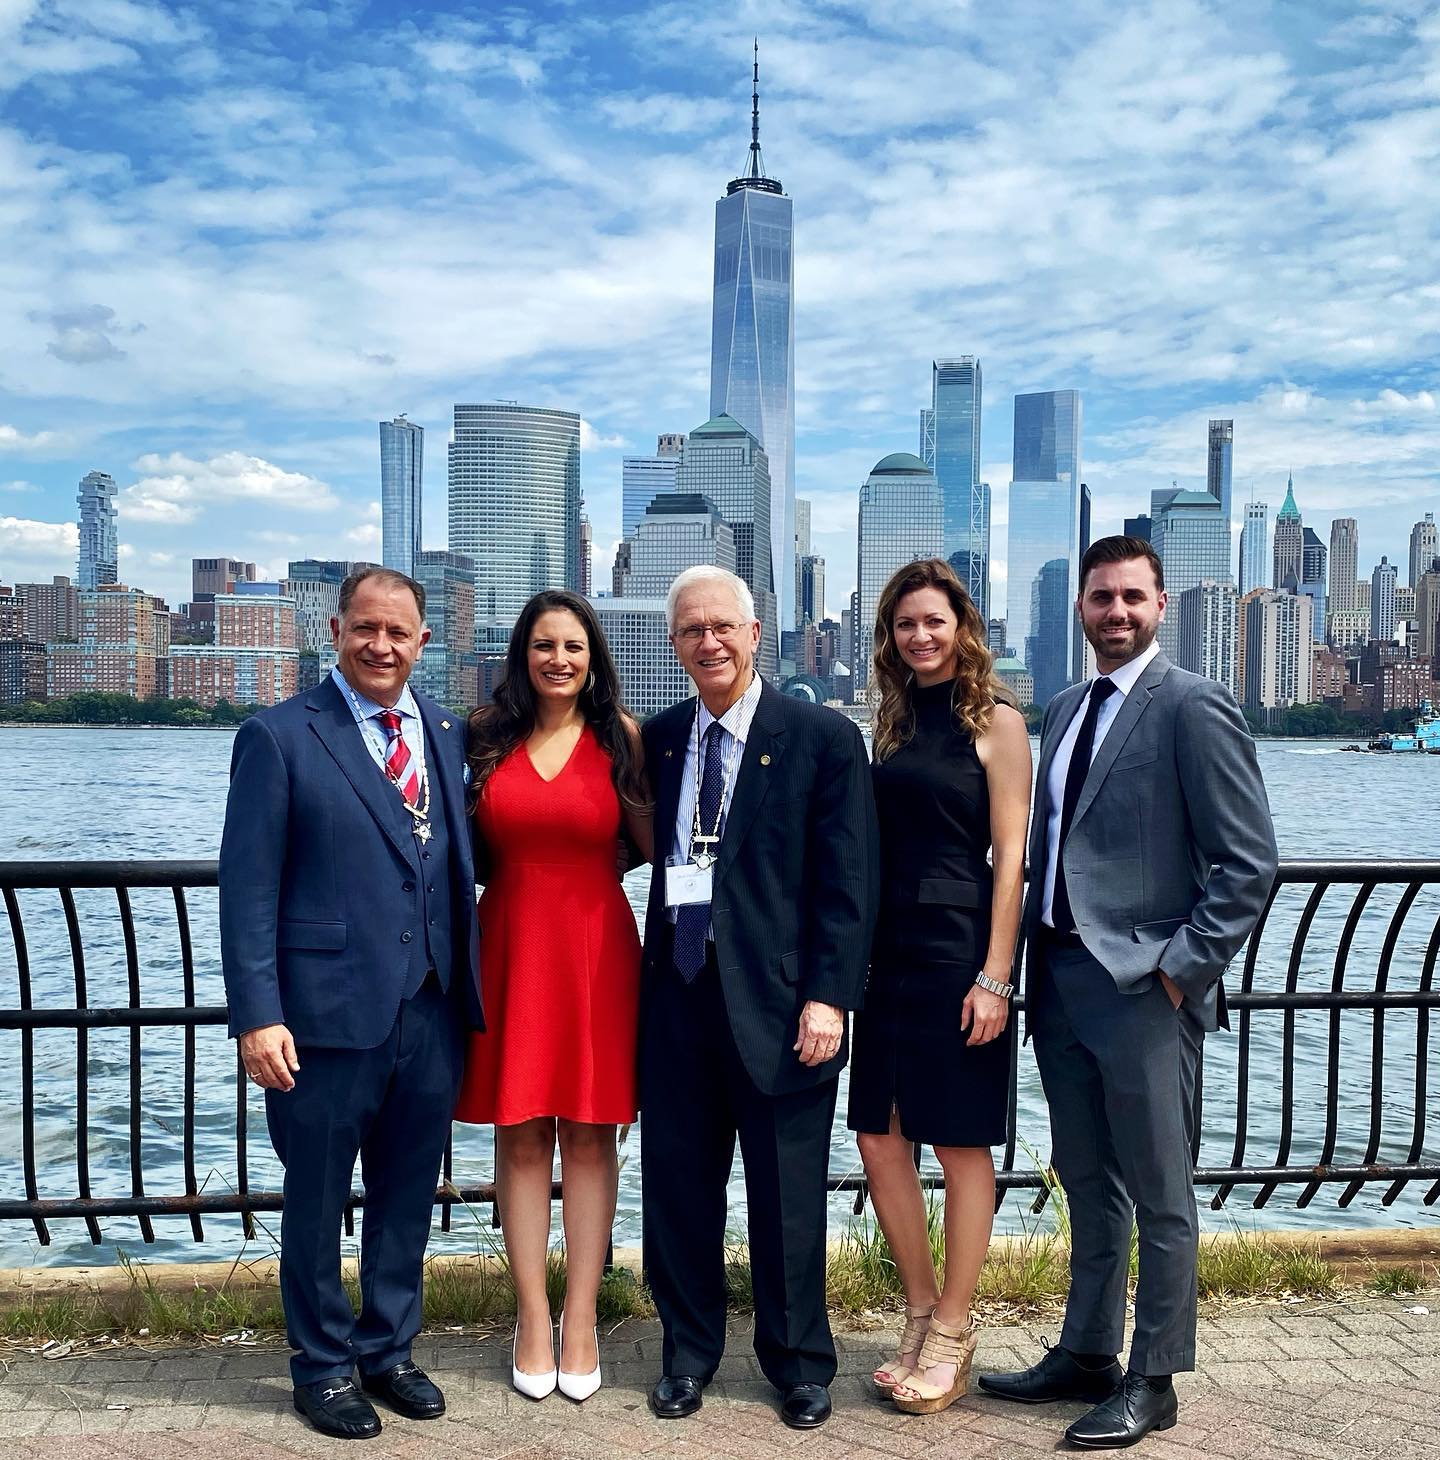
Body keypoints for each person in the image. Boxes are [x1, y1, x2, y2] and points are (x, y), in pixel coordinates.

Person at [978, 536, 1277, 1449]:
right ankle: (1086, 1353)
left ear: (1160, 604)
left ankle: (1156, 1377)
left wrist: (1181, 974)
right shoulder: (1064, 708)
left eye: (1132, 598)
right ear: (1081, 609)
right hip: (1062, 978)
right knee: (1087, 1179)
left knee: (1160, 1189)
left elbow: (1246, 863)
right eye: (1101, 598)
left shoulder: (1192, 706)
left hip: (1145, 987)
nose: (1115, 612)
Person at [219, 567, 483, 1441]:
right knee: (318, 1196)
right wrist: (258, 1016)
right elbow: (247, 888)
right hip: (323, 1014)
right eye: (365, 629)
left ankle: (388, 1349)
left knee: (408, 1191)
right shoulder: (280, 735)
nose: (381, 646)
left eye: (398, 633)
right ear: (334, 631)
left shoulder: (445, 732)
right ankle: (323, 1367)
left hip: (431, 1007)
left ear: (422, 642)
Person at [639, 565, 879, 1432]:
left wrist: (830, 997)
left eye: (722, 627)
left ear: (754, 632)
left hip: (784, 1009)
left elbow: (848, 883)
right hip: (676, 999)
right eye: (690, 630)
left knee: (786, 1198)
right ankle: (688, 1354)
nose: (708, 642)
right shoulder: (662, 738)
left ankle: (799, 1363)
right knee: (678, 1192)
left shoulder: (818, 737)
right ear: (675, 645)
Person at [454, 590, 651, 1403]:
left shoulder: (622, 738)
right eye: (543, 645)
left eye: (573, 646)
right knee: (522, 1133)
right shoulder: (483, 737)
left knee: (591, 1138)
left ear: (593, 656)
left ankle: (580, 1317)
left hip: (596, 952)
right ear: (522, 654)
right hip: (508, 948)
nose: (558, 659)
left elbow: (652, 846)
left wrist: (591, 879)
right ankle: (531, 1316)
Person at [847, 559, 1031, 1415]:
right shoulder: (884, 726)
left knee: (959, 1144)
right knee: (880, 1138)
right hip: (888, 951)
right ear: (888, 637)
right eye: (904, 624)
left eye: (934, 621)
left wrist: (996, 977)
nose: (920, 636)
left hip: (960, 952)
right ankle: (919, 1310)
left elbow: (1012, 864)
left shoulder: (998, 723)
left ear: (963, 627)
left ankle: (954, 1326)